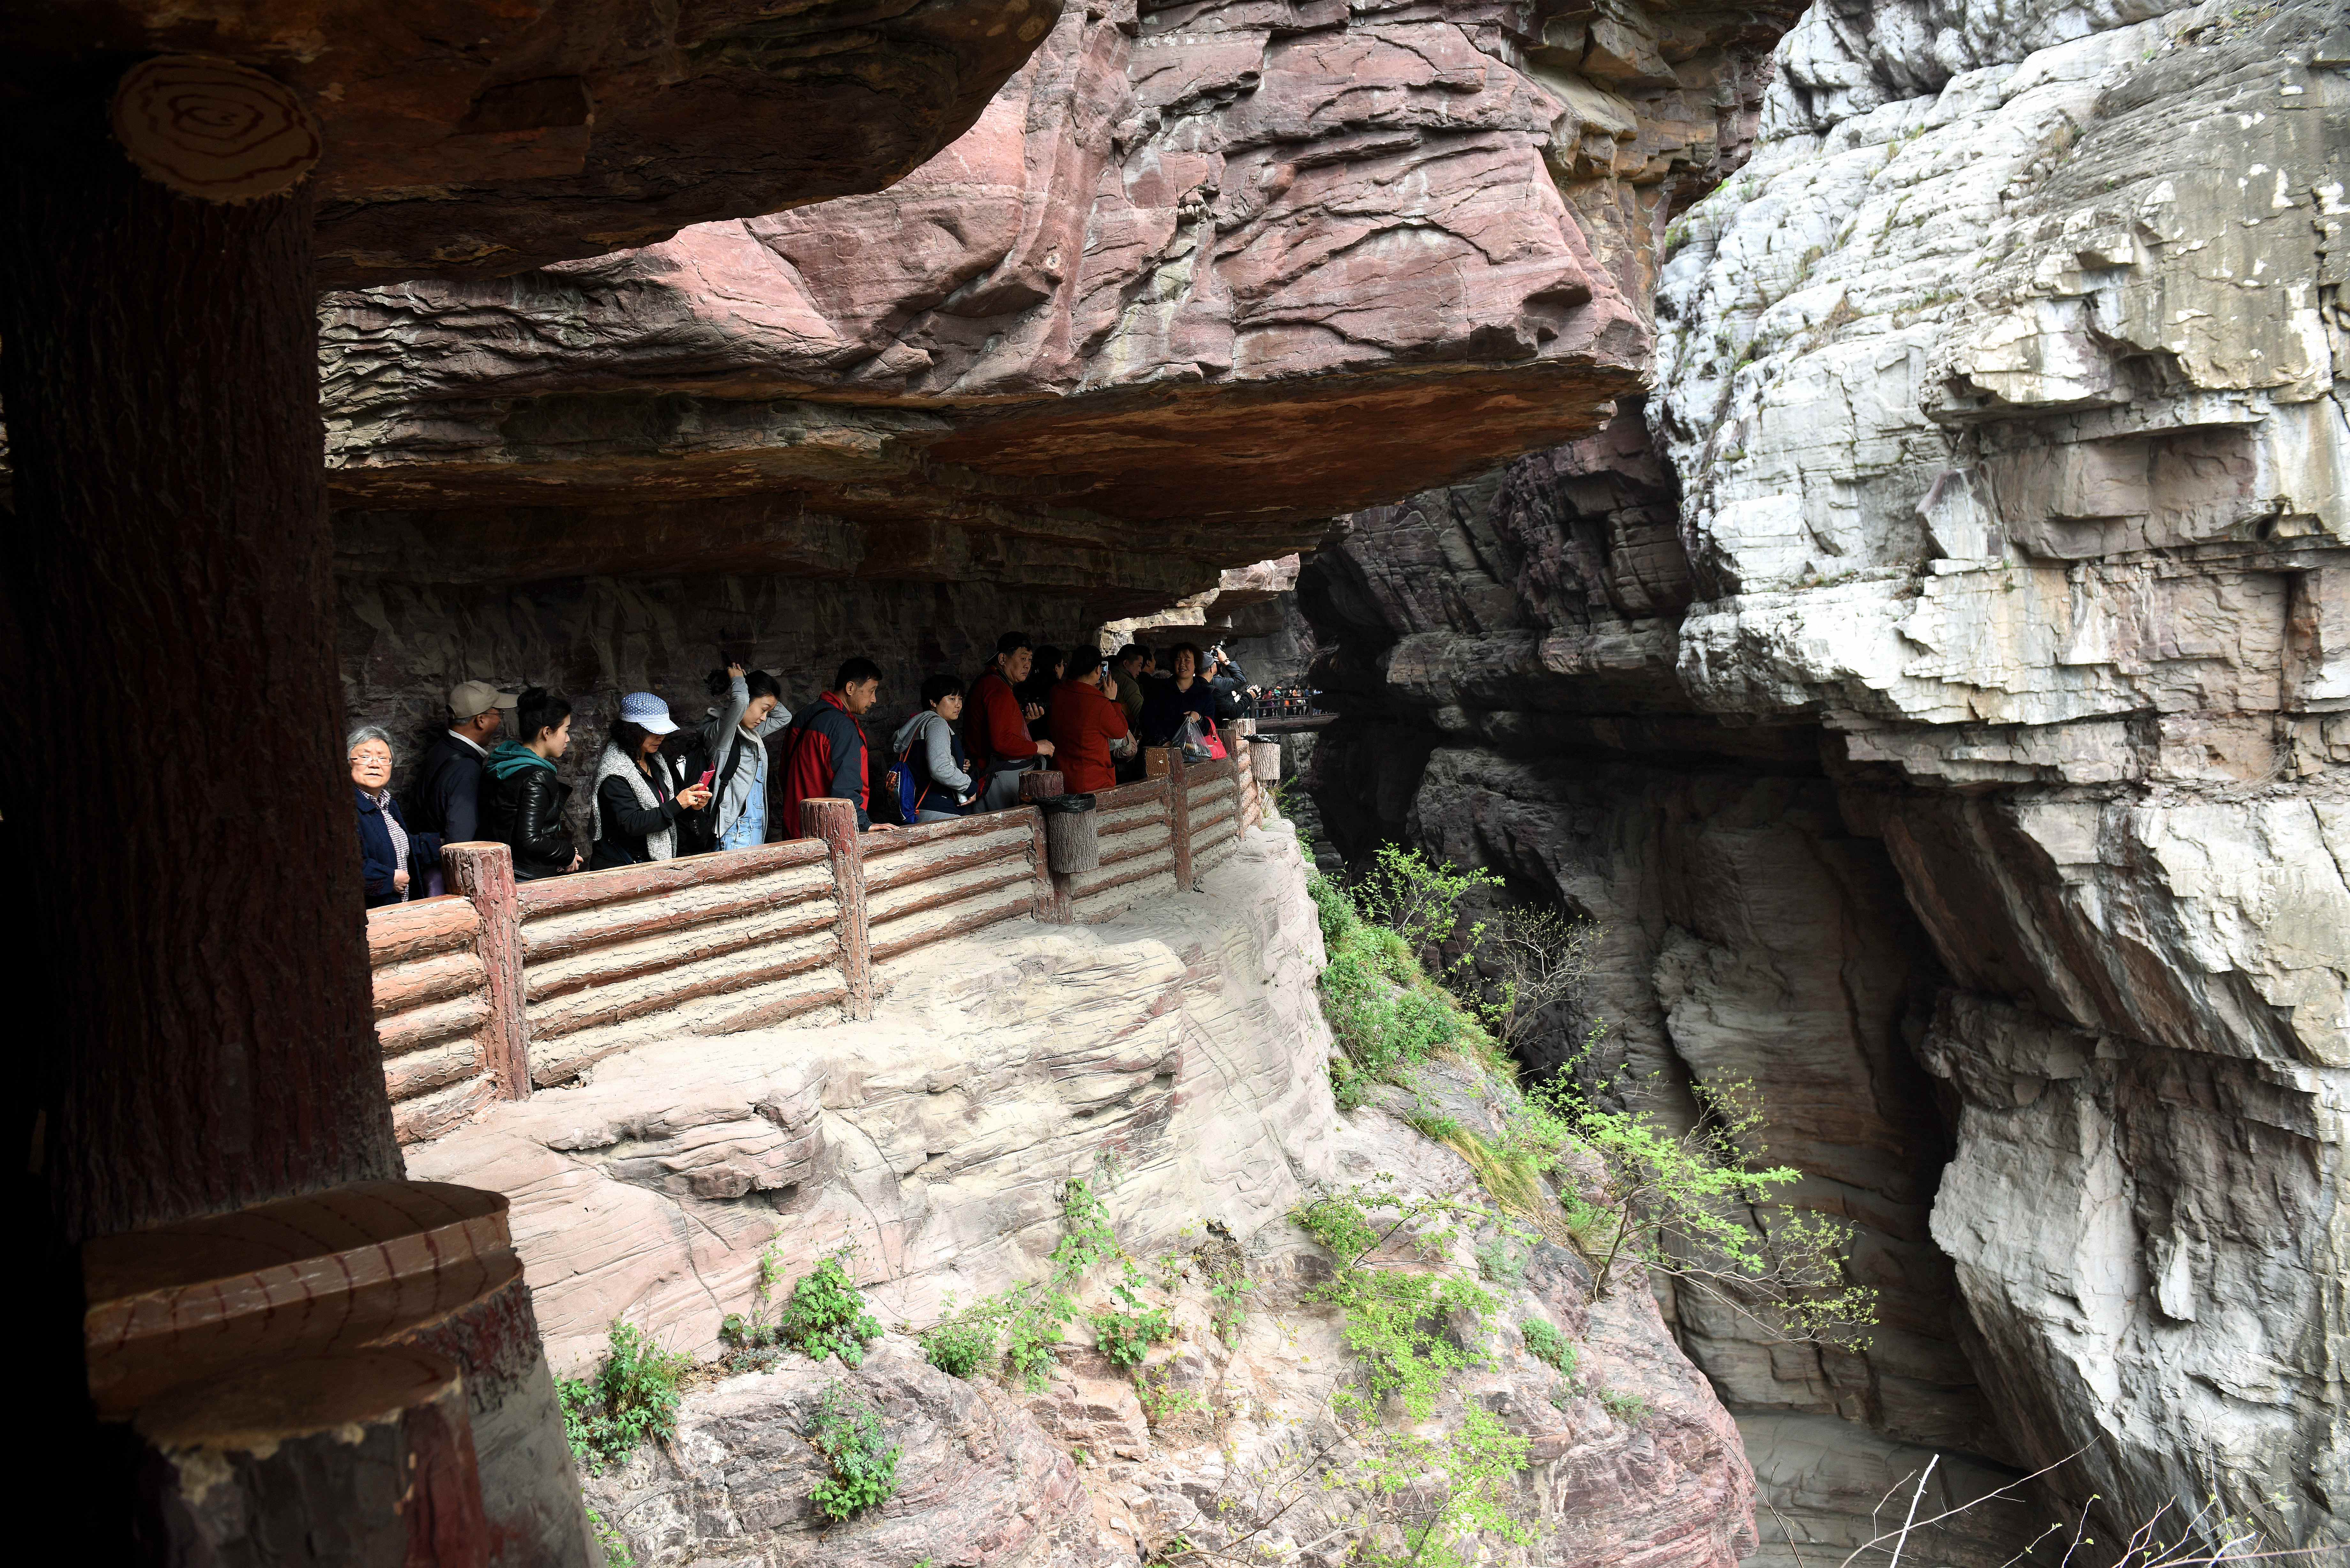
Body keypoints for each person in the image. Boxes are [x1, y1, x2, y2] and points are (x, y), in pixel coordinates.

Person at [589, 693, 713, 869]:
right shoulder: (615, 771)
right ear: (632, 730)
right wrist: (679, 804)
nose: (660, 737)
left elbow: (663, 809)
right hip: (623, 867)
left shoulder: (654, 761)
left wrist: (690, 806)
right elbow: (631, 823)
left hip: (648, 865)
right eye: (653, 731)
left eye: (662, 732)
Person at [781, 658, 889, 836]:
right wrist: (862, 823)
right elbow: (846, 786)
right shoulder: (842, 727)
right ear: (850, 688)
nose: (874, 699)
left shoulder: (805, 716)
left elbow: (785, 771)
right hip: (825, 831)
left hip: (795, 823)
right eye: (872, 691)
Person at [481, 687, 581, 879]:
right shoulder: (538, 777)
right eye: (566, 731)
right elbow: (530, 839)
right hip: (525, 878)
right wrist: (568, 854)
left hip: (499, 871)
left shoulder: (502, 763)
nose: (568, 739)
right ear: (547, 732)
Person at [406, 680, 516, 848]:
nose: (501, 721)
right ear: (481, 721)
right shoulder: (466, 769)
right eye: (499, 714)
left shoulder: (442, 748)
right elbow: (461, 844)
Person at [696, 663, 791, 851]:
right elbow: (739, 702)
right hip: (734, 831)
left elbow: (784, 717)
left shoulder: (750, 733)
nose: (765, 717)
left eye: (768, 712)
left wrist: (752, 688)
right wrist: (739, 682)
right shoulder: (722, 735)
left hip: (753, 828)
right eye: (763, 710)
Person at [351, 726, 441, 908]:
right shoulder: (345, 808)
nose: (375, 764)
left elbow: (391, 844)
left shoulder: (387, 804)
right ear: (348, 763)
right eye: (365, 757)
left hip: (398, 909)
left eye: (384, 758)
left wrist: (444, 843)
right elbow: (339, 865)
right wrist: (389, 879)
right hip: (369, 915)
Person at [965, 631, 1055, 810]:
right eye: (1023, 659)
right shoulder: (997, 689)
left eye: (1030, 660)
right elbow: (1001, 743)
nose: (1028, 665)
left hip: (986, 770)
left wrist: (1025, 722)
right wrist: (1038, 747)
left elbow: (998, 730)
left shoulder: (991, 682)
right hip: (994, 773)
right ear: (1003, 659)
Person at [890, 673, 979, 823]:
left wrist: (956, 763)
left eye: (960, 699)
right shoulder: (937, 724)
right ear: (933, 701)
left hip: (922, 807)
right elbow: (940, 769)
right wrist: (969, 786)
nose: (958, 705)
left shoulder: (919, 724)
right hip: (940, 810)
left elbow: (926, 763)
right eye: (952, 699)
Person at [1046, 653, 1132, 795]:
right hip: (1093, 782)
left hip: (1062, 777)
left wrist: (1096, 694)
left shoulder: (1057, 692)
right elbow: (1120, 731)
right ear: (1099, 670)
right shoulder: (1100, 704)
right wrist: (1112, 701)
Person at [1137, 642, 1233, 749]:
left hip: (1193, 755)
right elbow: (1146, 719)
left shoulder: (1205, 693)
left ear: (1196, 664)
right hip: (1159, 753)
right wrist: (1162, 742)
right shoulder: (1158, 689)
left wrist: (1199, 719)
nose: (1182, 664)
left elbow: (1209, 728)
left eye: (1187, 660)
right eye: (1178, 660)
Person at [1018, 644, 1065, 735]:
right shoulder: (1061, 690)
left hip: (1027, 738)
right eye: (1063, 664)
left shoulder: (1021, 687)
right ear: (1056, 668)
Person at [1110, 645, 1147, 725]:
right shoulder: (1129, 685)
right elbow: (1142, 717)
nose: (1140, 670)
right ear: (1126, 663)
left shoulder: (1106, 676)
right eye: (1139, 665)